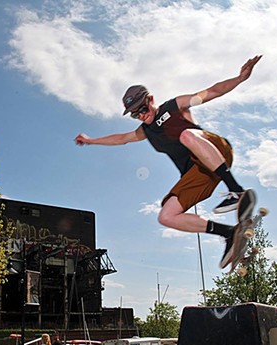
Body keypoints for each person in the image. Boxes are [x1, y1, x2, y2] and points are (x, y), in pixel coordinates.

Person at [74, 55, 262, 267]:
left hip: (216, 151)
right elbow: (121, 139)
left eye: (143, 109)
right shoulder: (145, 130)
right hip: (198, 174)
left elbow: (211, 92)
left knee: (186, 136)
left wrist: (239, 79)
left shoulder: (174, 106)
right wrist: (91, 141)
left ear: (151, 100)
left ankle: (236, 189)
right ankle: (228, 233)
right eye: (135, 115)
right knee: (166, 216)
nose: (141, 116)